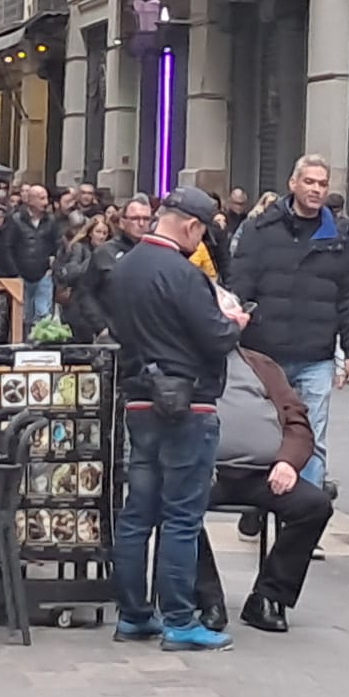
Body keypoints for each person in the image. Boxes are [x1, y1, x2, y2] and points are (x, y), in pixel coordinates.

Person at [105, 186, 248, 651]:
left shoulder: (124, 267)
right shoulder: (184, 275)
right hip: (189, 403)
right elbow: (214, 337)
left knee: (137, 513)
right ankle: (180, 621)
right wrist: (235, 323)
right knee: (181, 517)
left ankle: (133, 614)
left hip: (140, 399)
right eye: (202, 233)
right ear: (191, 226)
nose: (202, 242)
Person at [227, 156, 349, 491]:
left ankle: (303, 522)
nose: (316, 189)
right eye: (309, 182)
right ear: (292, 184)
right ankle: (261, 502)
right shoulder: (260, 229)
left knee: (312, 438)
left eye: (322, 183)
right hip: (264, 352)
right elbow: (241, 284)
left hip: (315, 353)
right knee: (264, 432)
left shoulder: (339, 236)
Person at [192, 347, 333, 634]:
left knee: (314, 505)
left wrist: (288, 462)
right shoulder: (184, 359)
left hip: (263, 474)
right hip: (204, 472)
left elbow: (297, 419)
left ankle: (268, 596)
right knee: (174, 506)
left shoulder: (260, 364)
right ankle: (208, 600)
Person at [61, 197, 149, 342]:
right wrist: (101, 326)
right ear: (122, 221)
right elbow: (85, 292)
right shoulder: (105, 253)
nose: (141, 223)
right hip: (114, 332)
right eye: (135, 218)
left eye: (146, 219)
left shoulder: (155, 252)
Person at [0, 184, 62, 322]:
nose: (45, 202)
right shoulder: (15, 220)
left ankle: (39, 341)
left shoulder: (51, 221)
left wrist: (54, 263)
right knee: (22, 315)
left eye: (46, 198)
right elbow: (6, 247)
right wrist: (14, 273)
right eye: (41, 198)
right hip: (21, 275)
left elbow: (57, 244)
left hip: (44, 273)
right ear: (30, 200)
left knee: (43, 313)